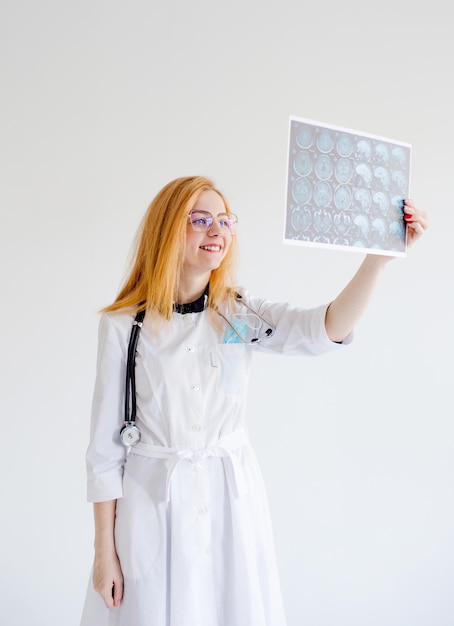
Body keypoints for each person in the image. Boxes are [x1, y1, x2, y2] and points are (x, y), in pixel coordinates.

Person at [80, 176, 427, 626]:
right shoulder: (126, 327)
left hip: (230, 503)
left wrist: (376, 261)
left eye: (225, 220)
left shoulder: (236, 318)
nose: (217, 231)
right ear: (167, 229)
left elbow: (322, 329)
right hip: (153, 507)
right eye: (200, 219)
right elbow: (104, 456)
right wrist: (104, 552)